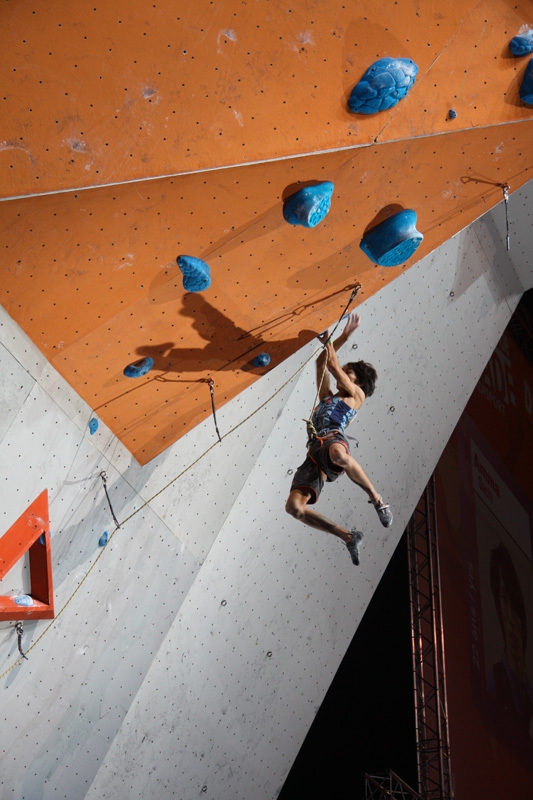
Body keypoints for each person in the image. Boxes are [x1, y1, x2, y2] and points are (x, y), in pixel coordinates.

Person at [285, 312, 393, 565]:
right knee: (294, 509)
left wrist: (334, 341)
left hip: (334, 440)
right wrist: (340, 337)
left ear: (359, 381)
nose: (342, 373)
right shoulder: (327, 397)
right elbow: (322, 363)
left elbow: (332, 364)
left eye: (349, 372)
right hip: (315, 453)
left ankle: (377, 500)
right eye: (344, 371)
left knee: (338, 455)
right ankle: (348, 537)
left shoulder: (356, 396)